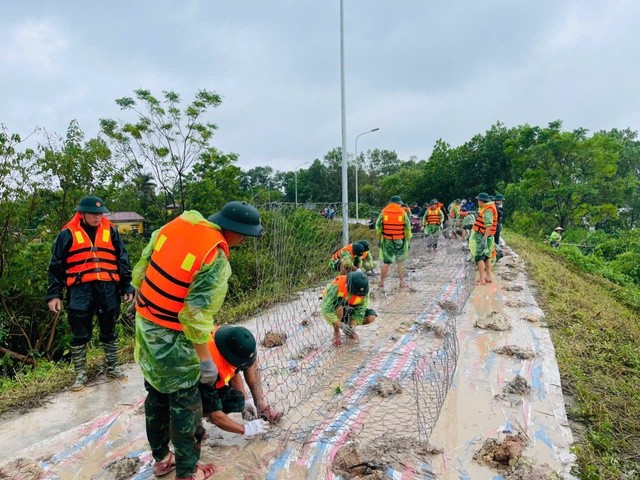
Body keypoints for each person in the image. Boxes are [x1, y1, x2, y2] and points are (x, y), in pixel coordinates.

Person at [132, 201, 264, 480]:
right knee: (186, 408)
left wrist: (141, 299)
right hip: (172, 336)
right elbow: (194, 315)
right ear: (235, 232)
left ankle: (161, 459)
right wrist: (205, 359)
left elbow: (142, 266)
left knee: (156, 394)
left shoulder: (182, 223)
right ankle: (188, 472)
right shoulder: (214, 259)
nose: (242, 240)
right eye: (244, 235)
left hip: (146, 325)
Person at [46, 195, 134, 391]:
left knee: (109, 330)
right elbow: (55, 267)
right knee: (80, 333)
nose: (97, 217)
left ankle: (112, 367)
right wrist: (54, 294)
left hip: (108, 288)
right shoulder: (67, 234)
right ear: (82, 214)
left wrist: (127, 286)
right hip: (80, 290)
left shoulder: (110, 231)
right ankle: (80, 374)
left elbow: (122, 259)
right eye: (93, 214)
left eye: (100, 213)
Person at [197, 325, 281, 439]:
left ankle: (261, 405)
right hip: (192, 387)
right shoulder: (207, 371)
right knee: (229, 402)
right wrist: (246, 429)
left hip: (218, 364)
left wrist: (247, 401)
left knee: (239, 397)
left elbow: (233, 371)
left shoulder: (228, 337)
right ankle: (195, 420)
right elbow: (215, 415)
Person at [321, 271, 375, 347]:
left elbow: (360, 311)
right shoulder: (335, 287)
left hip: (351, 308)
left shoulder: (363, 292)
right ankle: (336, 332)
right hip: (337, 310)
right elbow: (327, 310)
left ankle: (349, 330)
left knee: (371, 317)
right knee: (339, 306)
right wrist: (341, 325)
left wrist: (352, 327)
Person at [376, 195, 412, 289]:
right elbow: (407, 227)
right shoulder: (402, 212)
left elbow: (378, 227)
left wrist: (379, 240)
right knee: (400, 262)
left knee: (386, 261)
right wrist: (407, 240)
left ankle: (381, 283)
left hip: (387, 240)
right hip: (400, 240)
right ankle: (402, 283)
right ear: (399, 203)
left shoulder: (384, 212)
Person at [470, 193, 497, 285]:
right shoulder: (488, 208)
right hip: (488, 236)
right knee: (487, 256)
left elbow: (488, 225)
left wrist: (484, 239)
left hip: (483, 236)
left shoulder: (487, 211)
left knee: (479, 257)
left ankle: (481, 279)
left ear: (481, 201)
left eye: (478, 200)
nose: (478, 202)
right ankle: (488, 277)